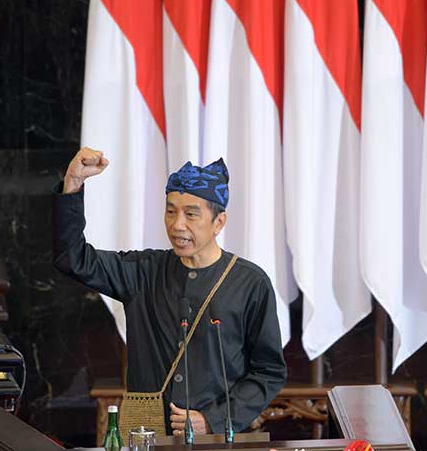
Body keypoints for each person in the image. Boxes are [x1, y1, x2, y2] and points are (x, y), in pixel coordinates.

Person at [52, 147, 286, 435]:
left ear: (219, 222)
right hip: (144, 433)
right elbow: (72, 259)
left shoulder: (250, 283)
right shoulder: (143, 271)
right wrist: (73, 183)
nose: (177, 225)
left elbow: (268, 372)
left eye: (191, 214)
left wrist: (214, 419)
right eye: (171, 211)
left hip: (216, 439)